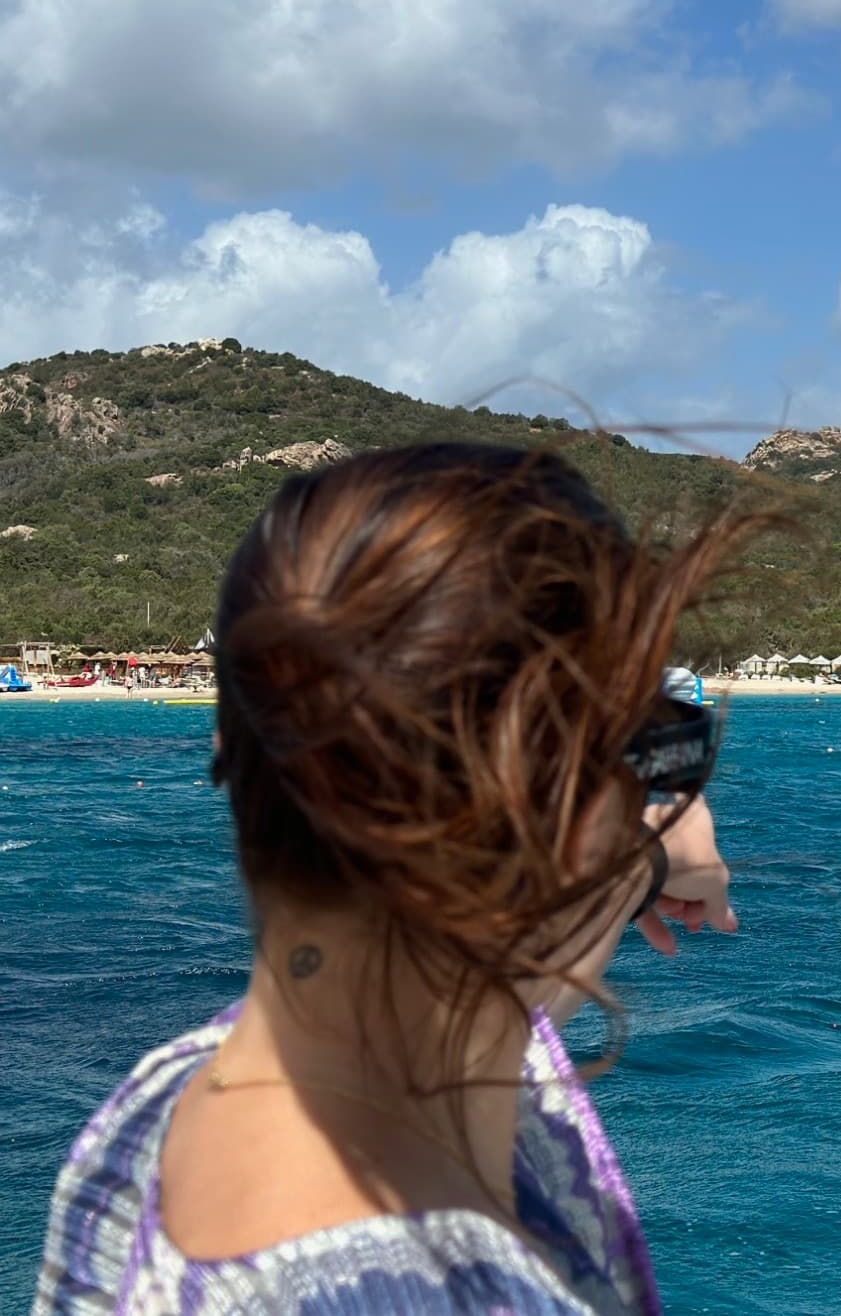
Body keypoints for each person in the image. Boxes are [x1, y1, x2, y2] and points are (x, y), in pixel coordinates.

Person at [33, 442, 761, 1314]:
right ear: (553, 820)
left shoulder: (162, 1106)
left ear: (237, 749)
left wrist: (641, 848)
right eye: (665, 744)